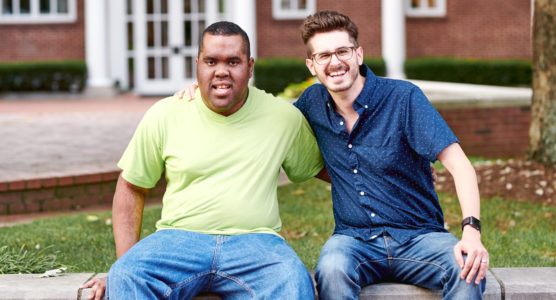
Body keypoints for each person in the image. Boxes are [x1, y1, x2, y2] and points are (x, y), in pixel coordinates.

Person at [178, 10, 489, 300]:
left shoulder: (403, 98)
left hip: (421, 236)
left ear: (358, 54)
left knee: (468, 269)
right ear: (311, 65)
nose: (334, 62)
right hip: (353, 241)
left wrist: (471, 233)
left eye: (342, 51)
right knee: (331, 270)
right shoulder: (311, 105)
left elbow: (460, 166)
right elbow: (262, 119)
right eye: (323, 55)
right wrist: (212, 87)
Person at [81, 21, 325, 300]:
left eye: (233, 61)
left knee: (293, 283)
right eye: (211, 61)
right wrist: (120, 266)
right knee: (127, 276)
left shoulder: (283, 118)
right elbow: (131, 187)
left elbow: (329, 170)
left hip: (257, 245)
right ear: (197, 65)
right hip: (177, 241)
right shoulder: (166, 114)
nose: (222, 71)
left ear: (250, 66)